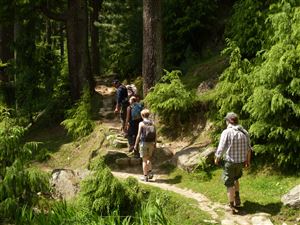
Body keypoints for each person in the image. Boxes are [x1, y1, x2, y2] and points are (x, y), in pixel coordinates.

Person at [214, 112, 252, 214]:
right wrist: (248, 161)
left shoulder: (226, 132)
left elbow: (221, 147)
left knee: (229, 184)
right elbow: (249, 149)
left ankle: (231, 206)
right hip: (240, 162)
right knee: (236, 178)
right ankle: (237, 199)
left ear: (228, 121)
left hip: (229, 162)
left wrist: (217, 158)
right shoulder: (244, 132)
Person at [134, 109, 156, 182]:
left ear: (142, 115)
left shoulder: (141, 123)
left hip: (143, 143)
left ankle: (145, 176)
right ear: (148, 115)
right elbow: (155, 135)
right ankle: (150, 173)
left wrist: (136, 144)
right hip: (151, 143)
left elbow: (138, 135)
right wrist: (155, 143)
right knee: (149, 159)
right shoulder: (152, 123)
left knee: (144, 160)